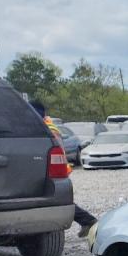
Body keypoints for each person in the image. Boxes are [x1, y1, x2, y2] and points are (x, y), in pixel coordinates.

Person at [31, 99, 98, 236]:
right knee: (56, 200)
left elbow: (55, 150)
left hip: (53, 170)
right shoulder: (47, 126)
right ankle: (87, 221)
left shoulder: (48, 129)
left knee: (56, 200)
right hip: (55, 169)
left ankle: (88, 221)